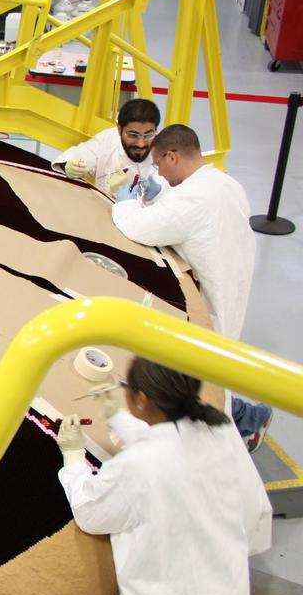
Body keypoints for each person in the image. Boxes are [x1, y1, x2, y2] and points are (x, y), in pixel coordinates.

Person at [56, 358, 271, 595]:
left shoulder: (140, 465)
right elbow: (169, 443)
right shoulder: (216, 431)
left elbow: (92, 513)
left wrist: (73, 458)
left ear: (141, 398)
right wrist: (116, 414)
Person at [111, 123, 272, 449]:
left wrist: (125, 202)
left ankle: (241, 427)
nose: (157, 171)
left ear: (172, 156)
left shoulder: (191, 200)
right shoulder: (224, 183)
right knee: (215, 366)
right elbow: (190, 208)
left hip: (211, 303)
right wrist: (163, 194)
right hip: (232, 287)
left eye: (158, 164)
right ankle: (247, 415)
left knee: (202, 377)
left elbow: (139, 227)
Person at [52, 98, 162, 196]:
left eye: (148, 135)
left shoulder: (165, 156)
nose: (140, 144)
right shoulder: (108, 139)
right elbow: (83, 154)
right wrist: (68, 165)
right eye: (133, 135)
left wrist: (123, 193)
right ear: (119, 129)